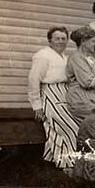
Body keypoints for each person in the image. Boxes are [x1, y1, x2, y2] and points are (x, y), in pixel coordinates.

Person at [28, 26, 79, 168]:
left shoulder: (65, 57)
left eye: (64, 39)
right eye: (57, 38)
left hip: (65, 93)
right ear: (50, 40)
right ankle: (68, 163)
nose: (61, 42)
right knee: (69, 127)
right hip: (50, 93)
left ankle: (50, 163)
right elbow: (33, 80)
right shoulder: (43, 55)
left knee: (56, 130)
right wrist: (37, 106)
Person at [66, 27, 95, 123]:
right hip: (80, 101)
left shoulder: (89, 59)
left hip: (91, 99)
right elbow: (88, 82)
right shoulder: (76, 57)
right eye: (92, 41)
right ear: (83, 42)